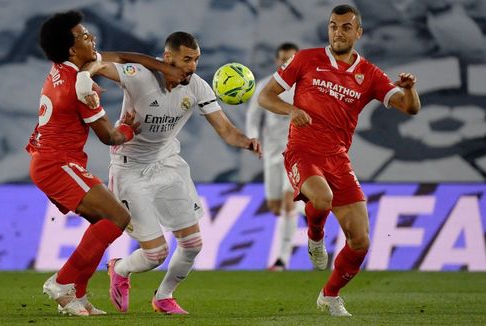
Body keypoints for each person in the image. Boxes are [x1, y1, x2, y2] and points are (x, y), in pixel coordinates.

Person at [76, 31, 262, 314]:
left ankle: (163, 296)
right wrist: (85, 78)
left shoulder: (197, 86)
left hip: (168, 165)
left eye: (196, 60)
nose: (192, 66)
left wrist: (247, 141)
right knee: (155, 254)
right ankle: (120, 269)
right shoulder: (139, 75)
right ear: (167, 57)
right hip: (130, 170)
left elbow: (225, 130)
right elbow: (99, 64)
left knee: (192, 244)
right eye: (187, 59)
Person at [258, 4, 420, 316]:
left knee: (360, 241)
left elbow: (409, 108)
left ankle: (330, 295)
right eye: (333, 25)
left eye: (346, 27)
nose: (338, 32)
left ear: (358, 32)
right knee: (321, 198)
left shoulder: (369, 74)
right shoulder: (305, 59)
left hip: (338, 159)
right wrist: (291, 110)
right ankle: (315, 237)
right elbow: (266, 96)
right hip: (302, 151)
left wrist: (410, 90)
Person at [26, 10, 183, 317]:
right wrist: (128, 127)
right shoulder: (78, 88)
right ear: (72, 49)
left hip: (50, 160)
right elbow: (109, 137)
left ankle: (78, 296)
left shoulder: (66, 67)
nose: (92, 38)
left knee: (106, 224)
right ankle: (62, 282)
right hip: (57, 164)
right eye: (85, 36)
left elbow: (122, 56)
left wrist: (162, 67)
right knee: (119, 217)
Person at [246, 43, 299, 271]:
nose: (287, 63)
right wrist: (253, 139)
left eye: (291, 59)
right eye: (283, 59)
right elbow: (252, 116)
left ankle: (282, 260)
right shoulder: (265, 86)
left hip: (296, 153)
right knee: (276, 207)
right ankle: (310, 207)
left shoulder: (305, 87)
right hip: (271, 153)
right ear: (277, 61)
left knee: (289, 204)